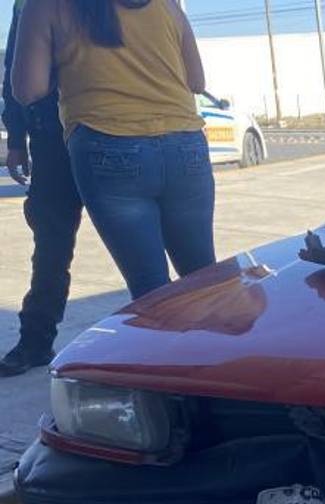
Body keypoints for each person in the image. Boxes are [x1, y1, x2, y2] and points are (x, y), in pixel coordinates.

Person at [13, 0, 216, 301]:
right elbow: (197, 81)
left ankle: (168, 347)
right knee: (206, 280)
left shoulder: (45, 6)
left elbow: (28, 89)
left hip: (108, 146)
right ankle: (221, 348)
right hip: (185, 145)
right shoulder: (166, 4)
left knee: (151, 291)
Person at [0, 0, 84, 377]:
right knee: (50, 244)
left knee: (142, 239)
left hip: (108, 130)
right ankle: (35, 341)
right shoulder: (28, 4)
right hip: (51, 140)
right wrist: (16, 137)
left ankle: (175, 343)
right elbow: (14, 68)